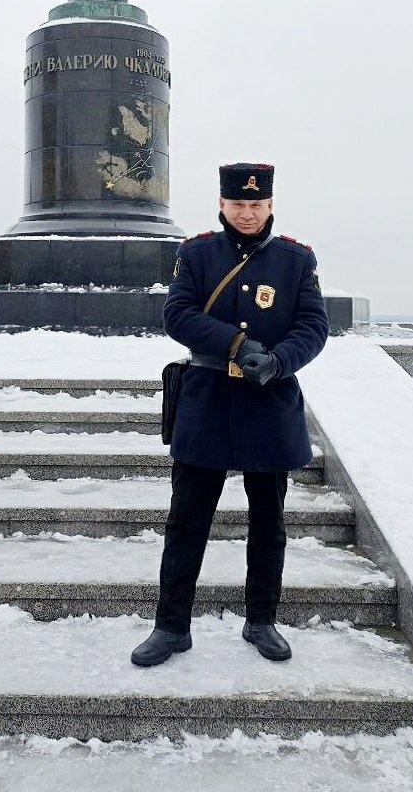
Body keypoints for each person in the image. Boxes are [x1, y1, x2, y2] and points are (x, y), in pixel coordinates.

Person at [131, 162, 329, 667]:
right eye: (238, 205)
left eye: (256, 205)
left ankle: (261, 620)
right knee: (186, 522)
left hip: (269, 402)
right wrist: (238, 344)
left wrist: (281, 361)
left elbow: (312, 326)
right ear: (222, 204)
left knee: (269, 524)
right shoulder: (196, 254)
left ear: (269, 206)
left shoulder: (296, 259)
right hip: (208, 401)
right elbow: (177, 314)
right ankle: (171, 627)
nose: (246, 213)